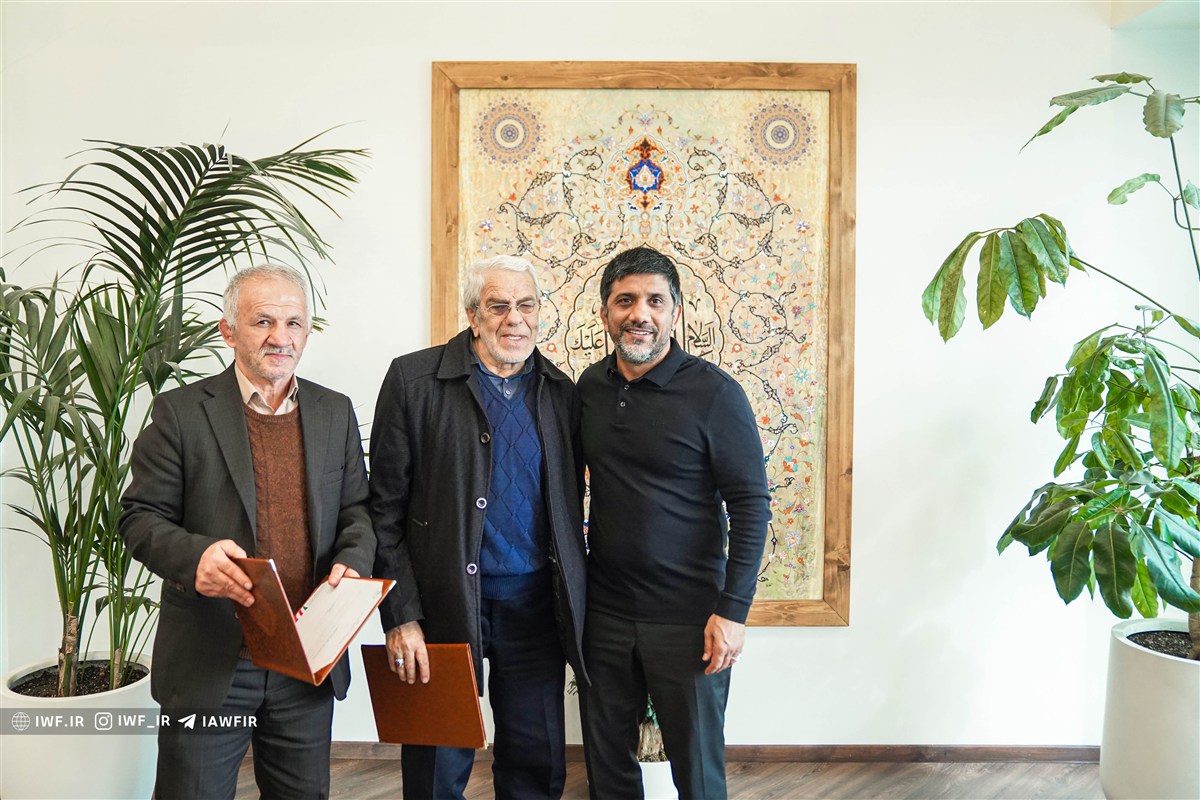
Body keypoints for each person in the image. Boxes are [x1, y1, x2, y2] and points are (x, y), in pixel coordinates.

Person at [120, 263, 375, 799]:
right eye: (263, 321)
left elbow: (357, 510)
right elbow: (138, 517)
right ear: (228, 331)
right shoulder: (181, 412)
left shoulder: (334, 411)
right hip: (213, 661)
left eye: (294, 322)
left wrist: (353, 562)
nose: (281, 337)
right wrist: (195, 558)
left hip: (306, 659)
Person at [370, 254, 587, 799]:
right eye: (498, 306)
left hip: (535, 608)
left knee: (535, 764)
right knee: (436, 768)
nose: (515, 319)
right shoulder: (413, 380)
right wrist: (401, 615)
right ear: (472, 315)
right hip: (441, 603)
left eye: (526, 305)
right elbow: (383, 511)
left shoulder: (561, 392)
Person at [577, 246, 771, 800]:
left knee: (699, 774)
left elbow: (751, 506)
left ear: (676, 312)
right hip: (605, 615)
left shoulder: (715, 394)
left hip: (690, 619)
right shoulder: (588, 389)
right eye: (625, 301)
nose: (640, 313)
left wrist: (732, 612)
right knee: (607, 771)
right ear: (605, 313)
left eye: (654, 301)